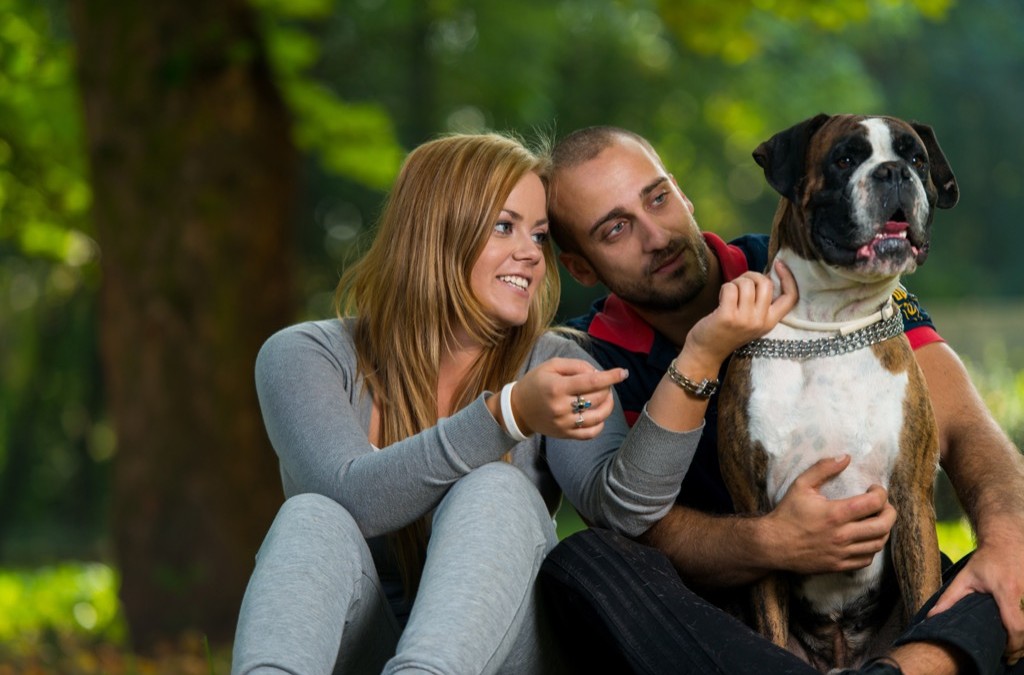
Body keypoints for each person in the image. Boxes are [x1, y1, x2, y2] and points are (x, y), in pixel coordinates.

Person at [230, 132, 797, 675]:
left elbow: (623, 511)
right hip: (367, 647)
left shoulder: (552, 359)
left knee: (497, 489)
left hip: (516, 656)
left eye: (539, 235)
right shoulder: (306, 355)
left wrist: (697, 356)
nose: (530, 254)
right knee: (312, 514)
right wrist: (505, 417)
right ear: (436, 232)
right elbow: (353, 497)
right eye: (505, 227)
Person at [537, 126, 1024, 675]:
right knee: (584, 563)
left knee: (1011, 566)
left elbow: (965, 425)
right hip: (732, 633)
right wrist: (771, 543)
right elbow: (633, 524)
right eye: (616, 229)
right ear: (579, 266)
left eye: (658, 198)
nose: (656, 235)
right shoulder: (582, 358)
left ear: (681, 192)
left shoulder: (819, 265)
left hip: (891, 611)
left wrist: (1008, 543)